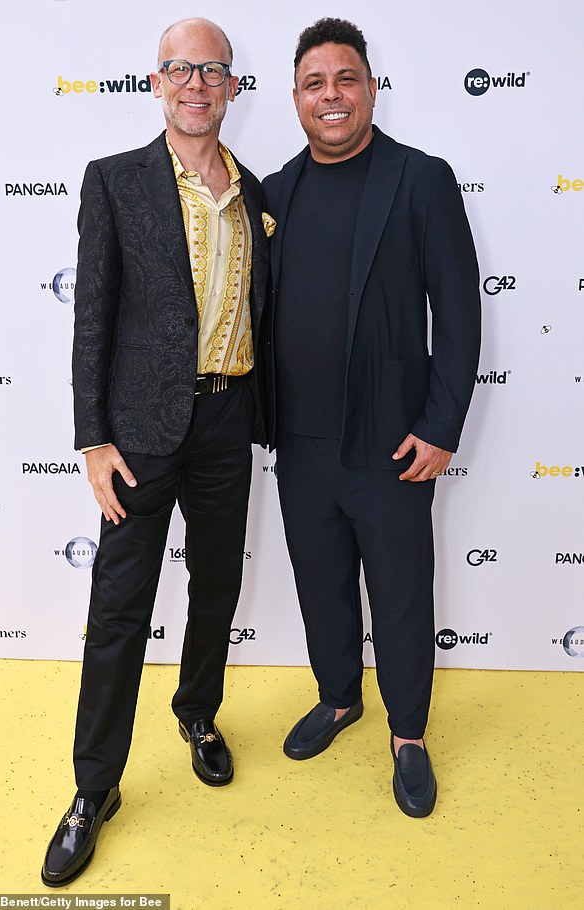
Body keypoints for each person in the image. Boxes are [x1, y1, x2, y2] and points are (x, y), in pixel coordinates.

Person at [42, 18, 269, 886]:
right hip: (137, 434)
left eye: (213, 70)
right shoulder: (115, 181)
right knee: (119, 608)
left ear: (232, 87)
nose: (197, 83)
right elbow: (91, 318)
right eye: (181, 68)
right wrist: (94, 438)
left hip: (228, 419)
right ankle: (93, 789)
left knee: (216, 586)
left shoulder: (257, 191)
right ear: (157, 81)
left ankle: (199, 715)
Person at [262, 17, 480, 818]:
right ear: (294, 98)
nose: (331, 96)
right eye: (315, 83)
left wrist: (442, 424)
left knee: (398, 594)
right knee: (321, 585)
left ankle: (409, 734)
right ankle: (338, 697)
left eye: (345, 79)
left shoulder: (420, 180)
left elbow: (458, 313)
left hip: (392, 442)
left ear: (370, 87)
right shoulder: (276, 192)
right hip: (300, 441)